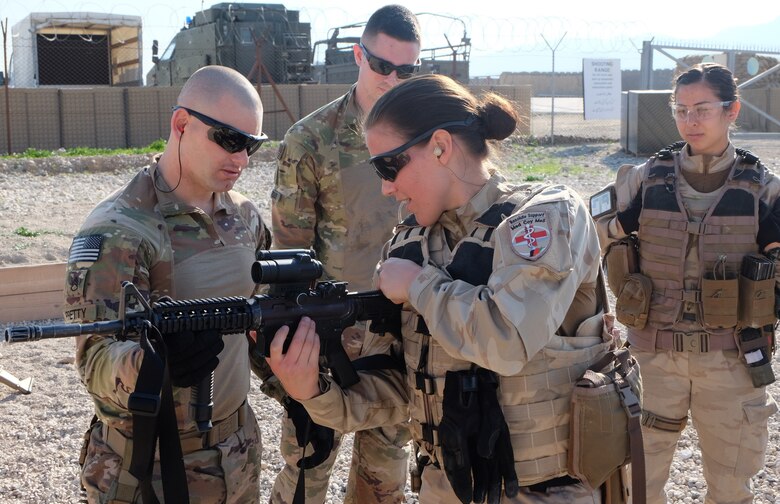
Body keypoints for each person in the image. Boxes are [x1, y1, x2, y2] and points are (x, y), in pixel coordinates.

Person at [268, 73, 619, 503]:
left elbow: (505, 340)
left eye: (388, 165)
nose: (385, 186)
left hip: (543, 491)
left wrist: (419, 285)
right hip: (447, 485)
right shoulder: (411, 243)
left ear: (440, 146)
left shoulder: (543, 216)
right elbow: (402, 389)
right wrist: (313, 391)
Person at [66, 65, 271, 503]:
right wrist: (155, 363)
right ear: (181, 124)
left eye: (252, 145)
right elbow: (95, 361)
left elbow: (260, 324)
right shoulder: (119, 229)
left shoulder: (245, 217)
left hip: (237, 455)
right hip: (152, 469)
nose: (242, 159)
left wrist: (307, 396)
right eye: (230, 140)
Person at [593, 62, 779, 503]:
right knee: (636, 482)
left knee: (732, 489)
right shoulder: (643, 180)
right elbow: (587, 231)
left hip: (731, 362)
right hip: (652, 358)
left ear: (732, 110)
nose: (690, 120)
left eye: (703, 109)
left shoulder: (765, 192)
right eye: (681, 110)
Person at [263, 5, 420, 503]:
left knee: (384, 481)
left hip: (399, 337)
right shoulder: (311, 139)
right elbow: (289, 254)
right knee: (308, 469)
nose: (393, 80)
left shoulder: (425, 139)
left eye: (407, 70)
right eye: (381, 66)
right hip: (328, 337)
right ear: (358, 55)